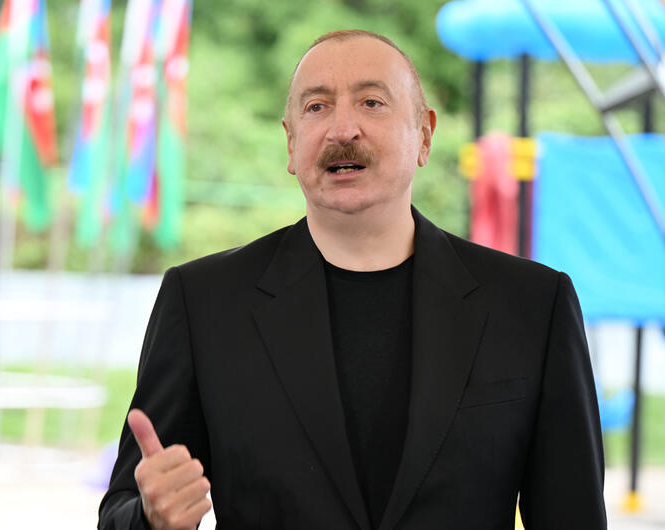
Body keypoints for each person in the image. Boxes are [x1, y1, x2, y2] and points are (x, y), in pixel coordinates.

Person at [99, 30, 607, 530]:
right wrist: (150, 519)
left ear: (425, 135)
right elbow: (121, 510)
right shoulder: (204, 303)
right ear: (291, 142)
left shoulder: (532, 305)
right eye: (317, 107)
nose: (342, 129)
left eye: (371, 102)